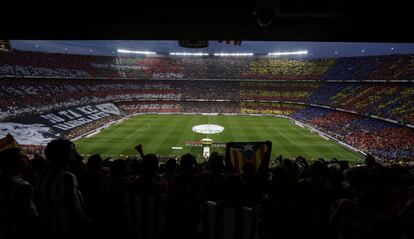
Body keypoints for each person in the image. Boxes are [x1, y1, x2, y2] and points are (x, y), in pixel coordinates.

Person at [34, 139, 92, 239]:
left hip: (49, 226)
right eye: (71, 151)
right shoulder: (66, 176)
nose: (75, 154)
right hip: (67, 229)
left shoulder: (43, 173)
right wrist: (89, 222)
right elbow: (74, 208)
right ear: (60, 155)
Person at [0, 147, 39, 239]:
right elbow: (30, 217)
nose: (28, 159)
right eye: (24, 158)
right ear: (12, 163)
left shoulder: (4, 182)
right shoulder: (22, 186)